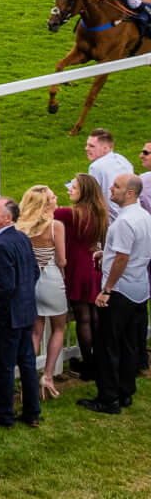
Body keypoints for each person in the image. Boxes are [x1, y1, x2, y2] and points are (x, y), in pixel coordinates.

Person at [84, 172, 151, 415]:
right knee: (129, 344)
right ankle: (125, 391)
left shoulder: (124, 221)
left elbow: (122, 257)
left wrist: (107, 289)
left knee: (108, 345)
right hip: (139, 288)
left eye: (117, 186)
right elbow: (127, 250)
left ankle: (108, 398)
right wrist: (107, 254)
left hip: (120, 290)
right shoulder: (143, 215)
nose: (110, 188)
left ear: (130, 193)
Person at [0, 195, 41, 428]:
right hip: (26, 310)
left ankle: (5, 415)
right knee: (26, 363)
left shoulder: (3, 244)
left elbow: (5, 285)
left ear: (7, 217)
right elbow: (33, 272)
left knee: (5, 366)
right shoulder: (21, 238)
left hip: (9, 316)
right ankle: (31, 412)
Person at [55, 174, 108, 385]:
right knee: (95, 318)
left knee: (83, 319)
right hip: (95, 267)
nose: (69, 189)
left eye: (73, 187)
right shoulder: (100, 213)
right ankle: (98, 361)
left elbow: (48, 214)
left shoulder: (69, 213)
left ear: (83, 191)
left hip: (78, 268)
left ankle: (89, 365)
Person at [19, 189, 71, 400]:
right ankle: (47, 376)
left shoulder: (21, 227)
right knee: (59, 327)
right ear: (45, 204)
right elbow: (61, 260)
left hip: (30, 282)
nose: (56, 198)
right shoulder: (55, 226)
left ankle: (27, 379)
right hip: (51, 278)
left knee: (35, 332)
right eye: (52, 197)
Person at [83, 130, 134, 217]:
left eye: (91, 146)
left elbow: (89, 199)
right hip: (133, 215)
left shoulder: (96, 167)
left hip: (111, 221)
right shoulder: (123, 160)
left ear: (105, 148)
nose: (86, 148)